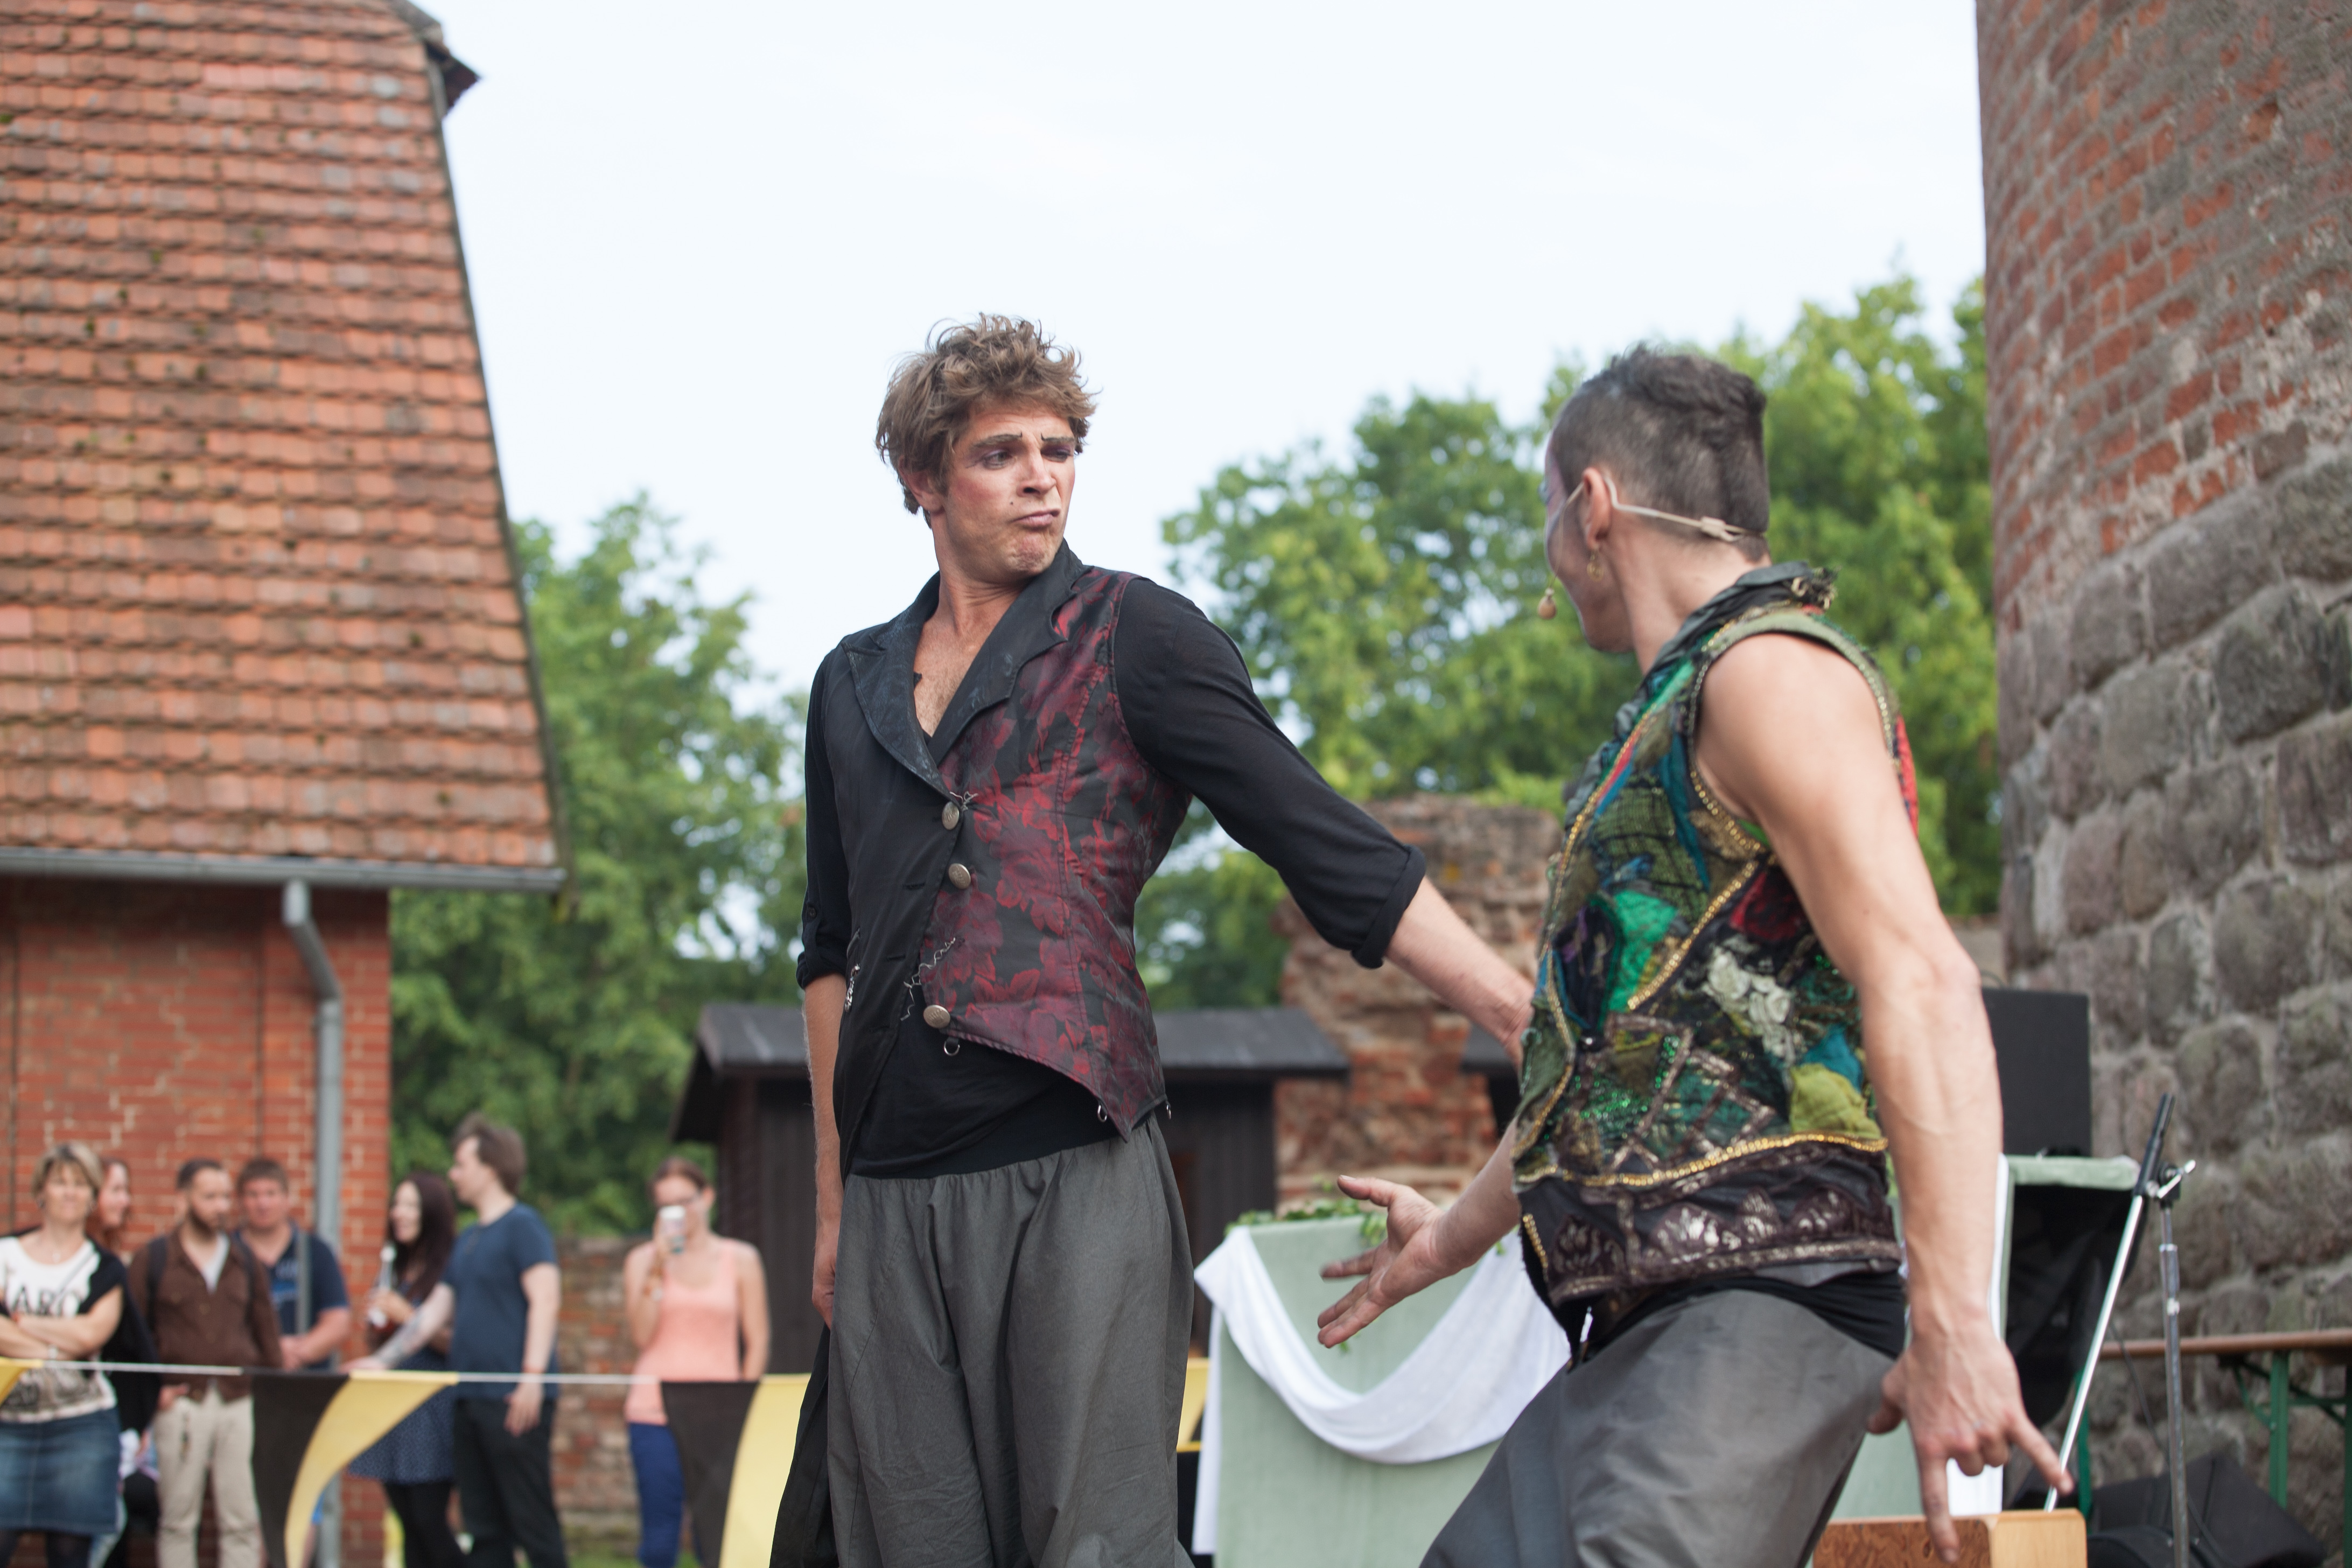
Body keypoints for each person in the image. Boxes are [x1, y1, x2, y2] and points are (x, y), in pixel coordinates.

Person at [1312, 348, 2070, 1568]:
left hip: (1766, 1291)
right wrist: (1448, 1240)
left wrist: (1956, 1325)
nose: (1550, 557)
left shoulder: (1770, 672)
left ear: (1592, 505)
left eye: (1547, 516)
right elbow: (1604, 1060)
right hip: (1643, 1321)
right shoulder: (1668, 720)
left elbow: (1923, 977)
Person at [798, 316, 1531, 1567]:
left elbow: (1319, 836)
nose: (1043, 478)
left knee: (1096, 1546)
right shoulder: (851, 682)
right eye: (1001, 454)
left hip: (1073, 1167)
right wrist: (832, 1207)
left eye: (1061, 449)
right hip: (891, 1194)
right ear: (923, 479)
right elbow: (831, 952)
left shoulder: (1137, 635)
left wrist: (1519, 1012)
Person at [354, 1116, 566, 1568]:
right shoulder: (469, 1239)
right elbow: (431, 1314)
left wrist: (532, 1378)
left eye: (461, 1164)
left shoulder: (524, 1226)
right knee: (484, 1529)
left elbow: (546, 1300)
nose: (454, 1174)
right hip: (468, 1400)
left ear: (490, 1169)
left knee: (532, 1523)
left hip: (512, 1400)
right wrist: (383, 1362)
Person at [125, 1159, 282, 1568]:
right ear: (184, 1199)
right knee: (178, 1519)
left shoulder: (244, 1259)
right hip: (181, 1401)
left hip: (238, 1399)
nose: (221, 1206)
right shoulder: (154, 1258)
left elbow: (266, 1332)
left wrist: (274, 1396)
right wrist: (151, 1394)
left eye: (226, 1196)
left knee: (242, 1518)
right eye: (209, 1196)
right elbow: (133, 1336)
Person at [620, 1158, 767, 1568]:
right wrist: (658, 1267)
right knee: (659, 1543)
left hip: (718, 1414)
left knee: (716, 1539)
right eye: (666, 1205)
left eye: (685, 1201)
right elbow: (641, 1335)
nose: (678, 1213)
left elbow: (758, 1340)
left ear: (707, 1197)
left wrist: (743, 1407)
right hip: (655, 1412)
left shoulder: (741, 1258)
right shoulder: (641, 1260)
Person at [0, 1144, 129, 1568]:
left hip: (81, 1427)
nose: (70, 1193)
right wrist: (59, 1350)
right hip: (8, 1421)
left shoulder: (105, 1266)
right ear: (41, 1191)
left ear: (93, 1197)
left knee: (71, 1552)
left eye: (80, 1184)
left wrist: (22, 1324)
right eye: (60, 1182)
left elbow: (92, 1334)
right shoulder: (6, 1254)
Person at [351, 1173, 463, 1568]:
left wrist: (409, 1317)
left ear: (432, 1212)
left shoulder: (449, 1270)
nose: (399, 1213)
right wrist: (377, 1328)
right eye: (397, 1204)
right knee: (409, 1524)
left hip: (430, 1410)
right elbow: (386, 1347)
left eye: (411, 1205)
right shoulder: (397, 1269)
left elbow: (459, 1343)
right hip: (393, 1406)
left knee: (430, 1521)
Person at [236, 1158, 352, 1371]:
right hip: (244, 1379)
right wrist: (269, 1353)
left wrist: (298, 1352)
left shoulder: (316, 1251)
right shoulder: (228, 1252)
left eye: (271, 1194)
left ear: (287, 1199)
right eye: (253, 1195)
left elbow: (338, 1320)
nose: (263, 1204)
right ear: (241, 1201)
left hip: (305, 1379)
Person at [87, 1160, 133, 1261]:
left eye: (126, 1190)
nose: (126, 1200)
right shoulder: (81, 1251)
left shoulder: (108, 1246)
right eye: (116, 1189)